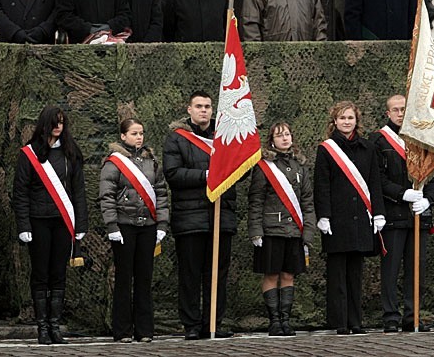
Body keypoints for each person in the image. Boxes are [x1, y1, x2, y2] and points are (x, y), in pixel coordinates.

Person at [13, 105, 88, 345]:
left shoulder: (70, 152)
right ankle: (42, 327)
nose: (58, 126)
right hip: (38, 221)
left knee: (59, 273)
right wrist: (23, 225)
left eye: (62, 122)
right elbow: (20, 193)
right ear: (44, 124)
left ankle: (55, 326)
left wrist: (81, 223)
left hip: (63, 221)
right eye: (54, 122)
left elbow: (78, 191)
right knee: (41, 274)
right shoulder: (28, 154)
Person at [163, 91, 235, 340]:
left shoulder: (225, 138)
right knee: (190, 275)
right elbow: (172, 174)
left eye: (207, 106)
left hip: (221, 216)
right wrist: (206, 176)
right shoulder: (177, 139)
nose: (204, 110)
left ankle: (213, 323)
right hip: (190, 218)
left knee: (217, 274)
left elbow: (240, 167)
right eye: (199, 106)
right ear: (189, 109)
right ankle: (192, 325)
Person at [371, 95, 434, 332]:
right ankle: (391, 316)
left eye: (404, 109)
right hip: (393, 214)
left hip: (418, 216)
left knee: (416, 271)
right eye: (396, 109)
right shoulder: (379, 141)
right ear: (388, 113)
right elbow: (377, 179)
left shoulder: (423, 138)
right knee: (390, 271)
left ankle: (413, 316)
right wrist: (402, 194)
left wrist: (428, 199)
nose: (401, 113)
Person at [313, 101, 385, 335]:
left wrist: (379, 212)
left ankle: (356, 321)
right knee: (337, 276)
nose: (346, 122)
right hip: (337, 220)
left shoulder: (368, 148)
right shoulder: (327, 149)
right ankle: (340, 322)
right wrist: (323, 216)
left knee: (356, 274)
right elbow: (321, 185)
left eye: (350, 118)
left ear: (357, 121)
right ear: (334, 121)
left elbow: (375, 182)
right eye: (342, 118)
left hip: (361, 219)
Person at [99, 118, 169, 343]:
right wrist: (112, 225)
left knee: (144, 278)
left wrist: (162, 224)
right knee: (124, 278)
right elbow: (107, 196)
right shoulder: (114, 163)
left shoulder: (152, 162)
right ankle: (122, 330)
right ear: (123, 136)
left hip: (147, 226)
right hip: (124, 226)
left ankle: (145, 330)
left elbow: (161, 193)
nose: (139, 137)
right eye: (133, 133)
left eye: (141, 133)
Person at [247, 122, 315, 336]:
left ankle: (285, 320)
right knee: (271, 274)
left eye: (287, 134)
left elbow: (307, 202)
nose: (284, 138)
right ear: (271, 140)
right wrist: (256, 230)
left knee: (288, 274)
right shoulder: (264, 166)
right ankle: (274, 320)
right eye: (279, 135)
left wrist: (308, 232)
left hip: (294, 231)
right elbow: (255, 200)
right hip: (271, 230)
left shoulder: (300, 167)